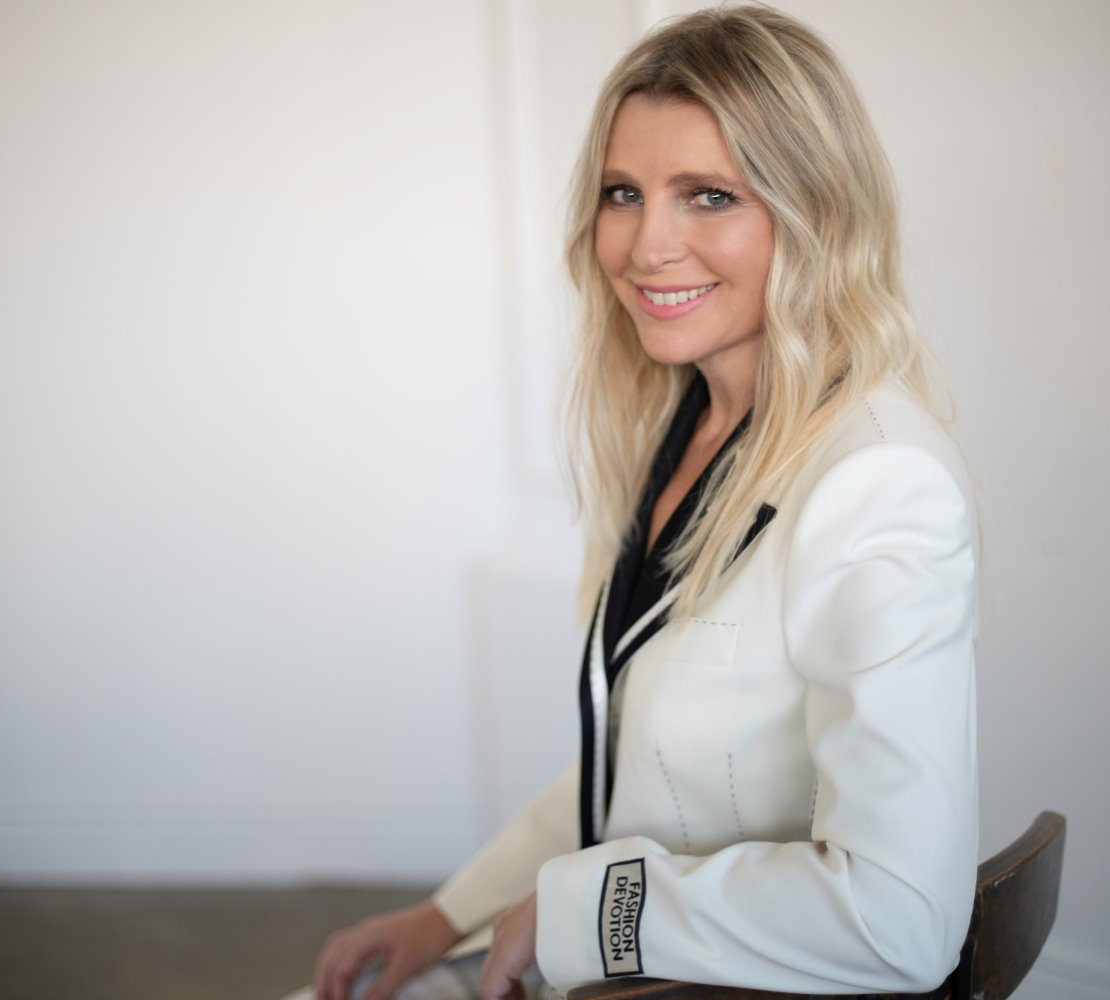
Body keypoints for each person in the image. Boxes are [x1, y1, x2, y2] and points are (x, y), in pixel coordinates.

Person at [300, 5, 978, 999]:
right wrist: (448, 915)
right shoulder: (679, 429)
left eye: (708, 196)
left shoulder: (878, 482)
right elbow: (633, 772)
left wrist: (584, 913)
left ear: (817, 212)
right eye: (624, 193)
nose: (646, 245)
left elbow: (899, 918)